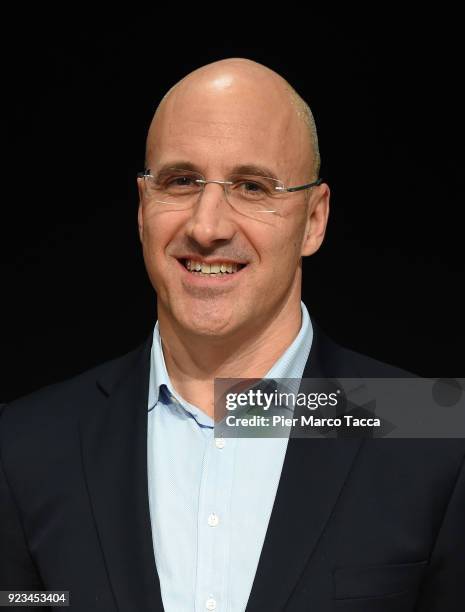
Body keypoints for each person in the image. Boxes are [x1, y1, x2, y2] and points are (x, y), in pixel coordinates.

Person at [1, 57, 464, 612]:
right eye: (181, 181)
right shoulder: (24, 446)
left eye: (251, 186)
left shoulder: (434, 433)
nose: (208, 226)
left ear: (314, 220)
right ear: (142, 205)